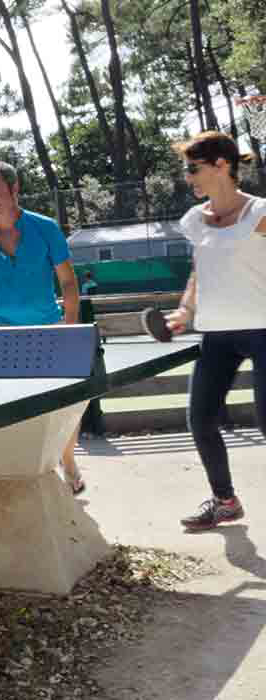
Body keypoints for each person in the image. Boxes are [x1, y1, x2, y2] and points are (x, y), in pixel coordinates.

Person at [0, 160, 85, 495]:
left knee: (67, 406)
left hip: (50, 330)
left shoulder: (45, 229)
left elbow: (69, 283)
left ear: (15, 189)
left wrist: (69, 330)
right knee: (5, 409)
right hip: (0, 336)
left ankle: (68, 460)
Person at [164, 131, 266, 531]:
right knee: (200, 418)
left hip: (263, 328)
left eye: (194, 168)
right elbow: (199, 271)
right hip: (216, 335)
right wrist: (183, 311)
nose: (188, 177)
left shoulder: (259, 213)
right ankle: (225, 501)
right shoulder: (194, 220)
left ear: (222, 165)